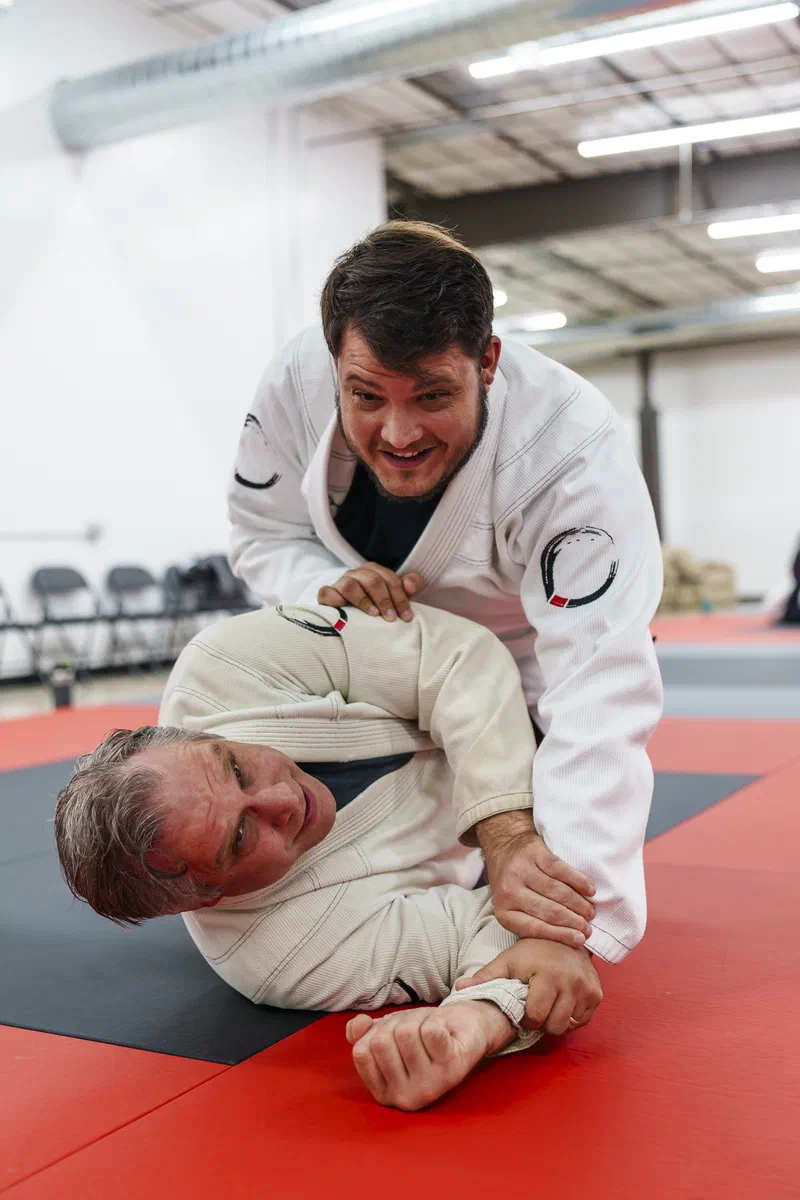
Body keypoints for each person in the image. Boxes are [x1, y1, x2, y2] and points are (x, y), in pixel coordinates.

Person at [227, 220, 664, 971]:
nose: (398, 432)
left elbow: (601, 677)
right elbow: (259, 535)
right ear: (334, 363)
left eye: (432, 395)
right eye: (365, 395)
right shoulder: (295, 384)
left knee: (516, 859)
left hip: (522, 663)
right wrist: (320, 588)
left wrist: (570, 927)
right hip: (364, 640)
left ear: (487, 361)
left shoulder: (570, 448)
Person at [55, 601, 603, 1112]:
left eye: (237, 768)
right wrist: (475, 1018)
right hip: (572, 812)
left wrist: (504, 832)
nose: (282, 800)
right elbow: (490, 935)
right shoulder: (279, 955)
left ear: (190, 736)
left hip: (538, 655)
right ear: (210, 897)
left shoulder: (223, 668)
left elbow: (461, 657)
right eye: (241, 838)